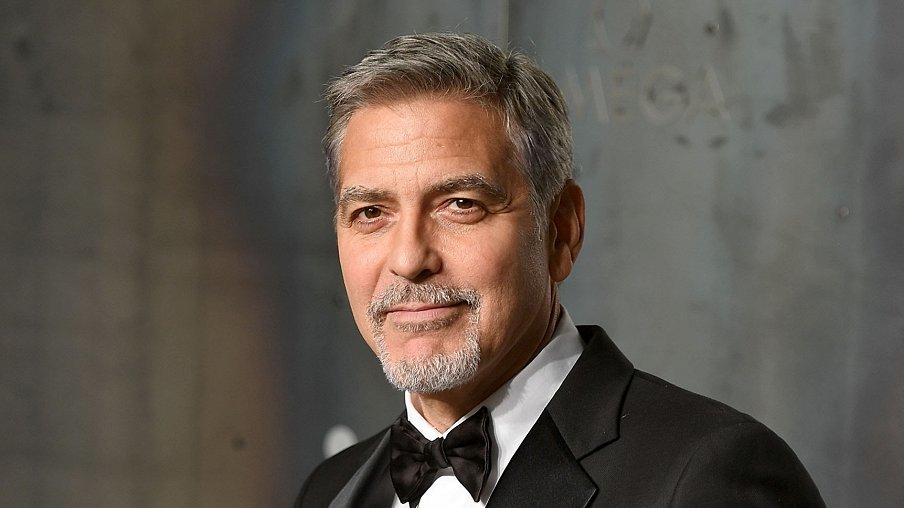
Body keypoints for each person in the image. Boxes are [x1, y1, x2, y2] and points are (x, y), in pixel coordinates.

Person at [295, 32, 824, 507]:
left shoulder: (709, 476)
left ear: (561, 230)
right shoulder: (329, 489)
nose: (410, 260)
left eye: (461, 205)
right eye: (370, 213)